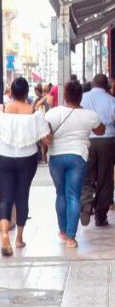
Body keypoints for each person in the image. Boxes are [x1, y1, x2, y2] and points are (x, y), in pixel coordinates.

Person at [0, 77, 49, 255]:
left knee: (5, 197)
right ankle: (19, 238)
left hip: (2, 158)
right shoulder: (35, 113)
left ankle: (5, 234)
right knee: (22, 197)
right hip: (26, 159)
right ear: (26, 93)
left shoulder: (0, 111)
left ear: (11, 93)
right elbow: (46, 139)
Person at [45, 80, 105, 248]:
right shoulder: (90, 115)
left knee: (60, 194)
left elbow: (44, 133)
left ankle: (62, 232)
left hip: (56, 157)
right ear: (81, 96)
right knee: (73, 195)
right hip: (78, 157)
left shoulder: (53, 113)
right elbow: (100, 131)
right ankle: (71, 237)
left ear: (65, 95)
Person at [80, 73, 115, 227]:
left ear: (93, 84)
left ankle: (86, 203)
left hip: (86, 140)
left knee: (86, 175)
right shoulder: (111, 100)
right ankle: (101, 216)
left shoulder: (83, 98)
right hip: (107, 141)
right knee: (105, 178)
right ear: (106, 85)